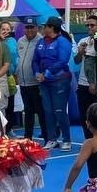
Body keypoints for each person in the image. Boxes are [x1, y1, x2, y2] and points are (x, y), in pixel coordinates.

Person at [33, 16, 73, 150]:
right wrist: (36, 73)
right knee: (47, 111)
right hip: (44, 82)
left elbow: (62, 61)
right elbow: (35, 60)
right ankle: (52, 139)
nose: (43, 28)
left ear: (51, 28)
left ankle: (66, 139)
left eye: (45, 26)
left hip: (59, 81)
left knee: (59, 110)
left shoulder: (63, 42)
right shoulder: (41, 42)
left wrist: (47, 73)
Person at [74, 15, 97, 138]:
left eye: (92, 25)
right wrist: (81, 52)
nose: (89, 27)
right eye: (87, 25)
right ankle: (88, 139)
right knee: (84, 115)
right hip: (83, 83)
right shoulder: (83, 41)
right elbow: (76, 61)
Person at [16, 17, 45, 141]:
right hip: (23, 82)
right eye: (27, 27)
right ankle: (28, 136)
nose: (29, 30)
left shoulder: (41, 41)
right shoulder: (20, 41)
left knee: (40, 110)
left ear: (37, 28)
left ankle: (47, 135)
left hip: (36, 82)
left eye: (31, 27)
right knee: (27, 110)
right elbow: (19, 58)